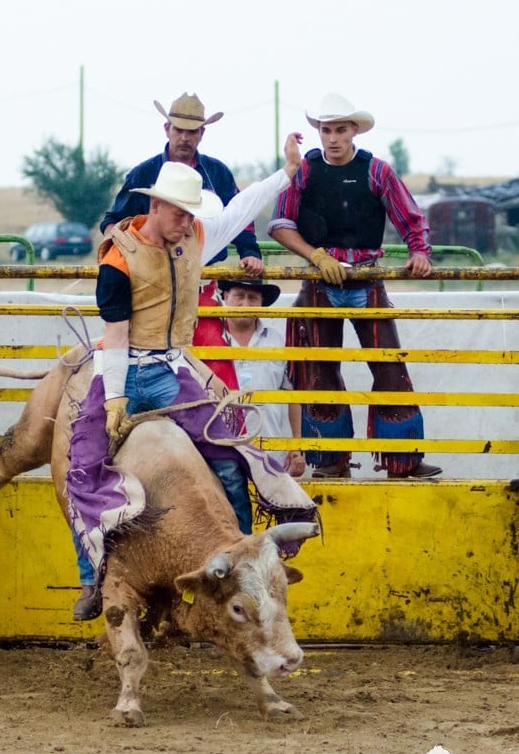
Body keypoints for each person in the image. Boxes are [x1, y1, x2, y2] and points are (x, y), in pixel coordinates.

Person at [66, 134, 319, 619]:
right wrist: (116, 399)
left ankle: (244, 557)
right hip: (125, 369)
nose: (189, 222)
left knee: (228, 457)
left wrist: (285, 174)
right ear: (156, 207)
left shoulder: (195, 236)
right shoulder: (117, 259)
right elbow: (115, 337)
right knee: (83, 468)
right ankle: (90, 579)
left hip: (170, 368)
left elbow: (242, 207)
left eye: (192, 214)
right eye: (181, 213)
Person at [269, 93, 442, 480]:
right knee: (319, 371)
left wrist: (420, 252)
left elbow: (411, 218)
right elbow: (281, 224)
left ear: (354, 132)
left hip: (367, 272)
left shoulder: (377, 171)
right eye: (327, 130)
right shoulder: (305, 172)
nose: (333, 138)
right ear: (318, 131)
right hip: (321, 277)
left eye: (340, 130)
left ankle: (403, 461)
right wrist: (317, 257)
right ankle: (331, 461)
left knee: (389, 367)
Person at [100, 91, 264, 276]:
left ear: (202, 133)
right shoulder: (143, 173)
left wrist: (249, 252)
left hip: (206, 274)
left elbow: (238, 216)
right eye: (178, 130)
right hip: (151, 271)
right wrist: (121, 254)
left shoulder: (218, 172)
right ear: (166, 129)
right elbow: (113, 222)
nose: (184, 138)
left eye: (192, 131)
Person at [215, 278, 306, 478]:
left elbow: (293, 398)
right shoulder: (210, 339)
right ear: (225, 297)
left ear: (262, 303)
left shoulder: (278, 341)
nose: (245, 304)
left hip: (271, 452)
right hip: (220, 452)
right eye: (239, 296)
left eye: (253, 298)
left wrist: (296, 447)